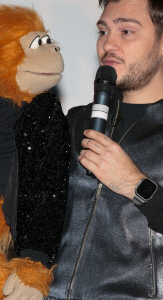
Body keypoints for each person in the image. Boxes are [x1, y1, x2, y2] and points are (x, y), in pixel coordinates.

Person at [48, 0, 163, 299]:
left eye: (126, 31)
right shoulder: (74, 122)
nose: (108, 44)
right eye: (103, 31)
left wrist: (137, 185)